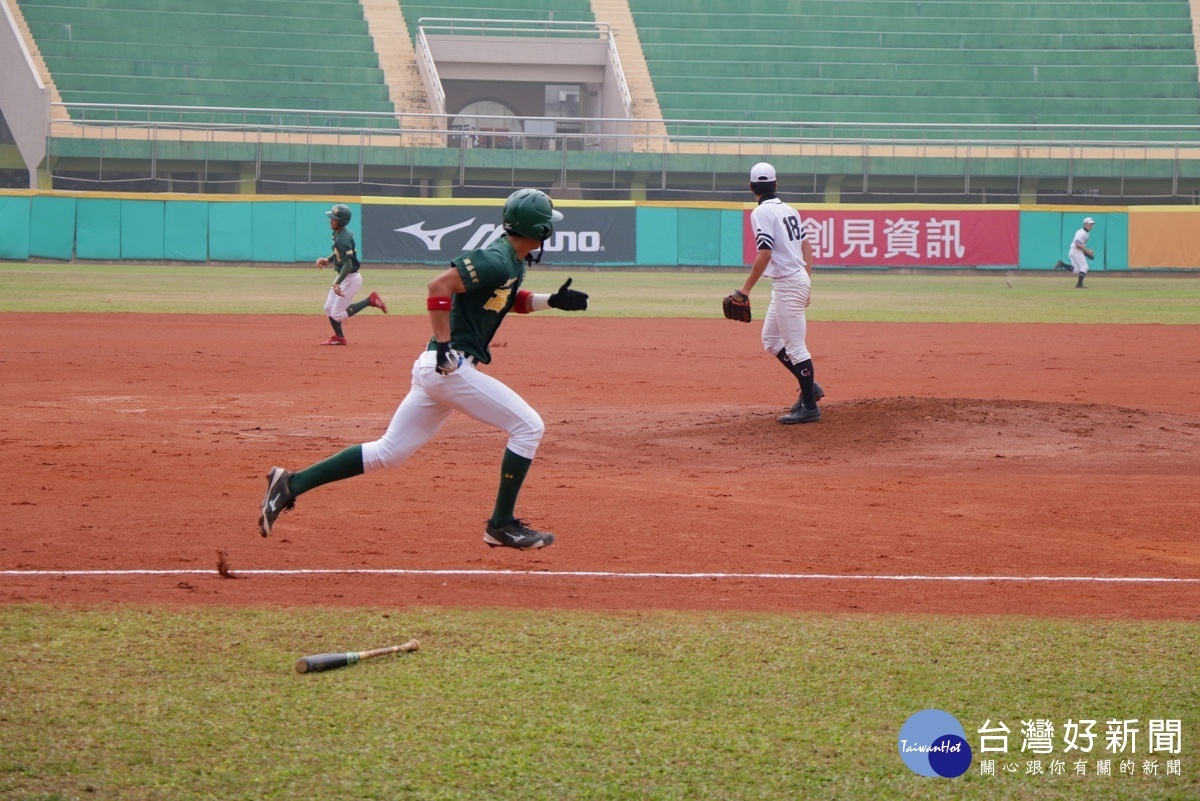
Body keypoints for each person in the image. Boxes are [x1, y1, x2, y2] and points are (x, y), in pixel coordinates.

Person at [258, 189, 589, 549]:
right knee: (528, 427)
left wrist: (550, 301)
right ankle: (500, 524)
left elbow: (506, 300)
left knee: (389, 452)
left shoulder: (511, 260)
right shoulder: (496, 258)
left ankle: (291, 483)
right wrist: (445, 345)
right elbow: (439, 286)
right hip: (450, 366)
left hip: (437, 370)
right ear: (541, 230)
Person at [723, 162, 823, 424]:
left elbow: (765, 252)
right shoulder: (788, 209)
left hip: (789, 283)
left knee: (796, 347)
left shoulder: (761, 213)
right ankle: (810, 387)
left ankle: (810, 407)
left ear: (751, 187)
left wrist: (744, 290)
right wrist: (807, 281)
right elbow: (806, 246)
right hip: (792, 281)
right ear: (776, 185)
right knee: (770, 340)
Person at [317, 203, 388, 345]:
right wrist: (328, 259)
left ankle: (370, 301)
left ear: (341, 221)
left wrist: (337, 283)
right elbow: (340, 255)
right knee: (328, 308)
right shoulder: (339, 233)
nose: (331, 220)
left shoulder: (343, 238)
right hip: (344, 276)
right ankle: (339, 337)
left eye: (334, 218)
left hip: (350, 279)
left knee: (337, 314)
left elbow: (348, 264)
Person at [1067, 216, 1095, 289]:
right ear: (1085, 224)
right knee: (1084, 267)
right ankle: (1079, 284)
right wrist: (1087, 252)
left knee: (1076, 270)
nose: (1091, 225)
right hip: (1075, 251)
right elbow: (1077, 244)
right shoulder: (1081, 233)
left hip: (1075, 251)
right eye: (1090, 224)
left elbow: (1079, 245)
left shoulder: (1086, 233)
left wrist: (1085, 253)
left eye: (1092, 224)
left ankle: (1062, 264)